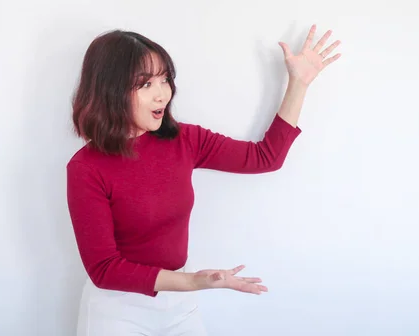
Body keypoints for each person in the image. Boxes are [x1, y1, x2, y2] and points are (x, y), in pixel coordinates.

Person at [66, 24, 341, 336]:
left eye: (165, 79)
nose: (162, 94)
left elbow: (265, 157)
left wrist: (299, 84)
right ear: (110, 91)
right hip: (118, 310)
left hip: (179, 305)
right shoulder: (86, 168)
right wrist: (194, 281)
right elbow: (105, 269)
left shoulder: (185, 140)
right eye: (145, 85)